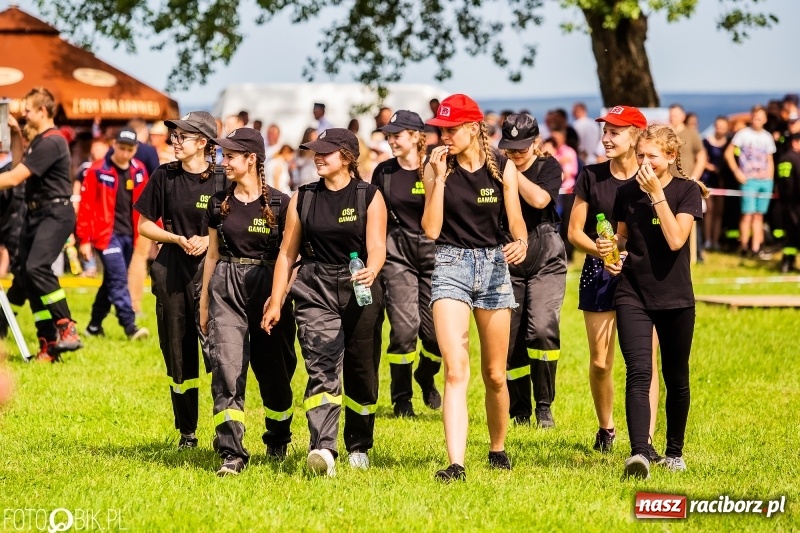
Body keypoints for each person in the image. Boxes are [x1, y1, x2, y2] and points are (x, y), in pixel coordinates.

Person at [262, 128, 387, 477]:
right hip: (314, 287)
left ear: (346, 157)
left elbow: (377, 246)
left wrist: (372, 270)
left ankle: (359, 445)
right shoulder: (303, 197)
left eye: (325, 152)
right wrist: (276, 301)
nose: (317, 157)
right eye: (315, 152)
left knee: (362, 369)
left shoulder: (369, 196)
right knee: (321, 365)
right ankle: (323, 447)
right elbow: (287, 254)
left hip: (360, 286)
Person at [421, 94, 528, 482]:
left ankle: (497, 447)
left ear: (472, 128)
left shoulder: (502, 167)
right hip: (450, 263)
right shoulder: (435, 165)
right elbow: (431, 229)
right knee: (455, 368)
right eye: (441, 129)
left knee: (496, 374)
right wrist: (437, 182)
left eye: (450, 129)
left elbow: (516, 223)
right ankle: (456, 464)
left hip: (494, 265)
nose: (444, 136)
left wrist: (522, 242)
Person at [600, 123, 708, 479]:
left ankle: (674, 451)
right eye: (641, 155)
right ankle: (640, 452)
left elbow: (676, 239)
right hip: (633, 292)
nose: (644, 162)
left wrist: (656, 196)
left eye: (652, 156)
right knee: (638, 372)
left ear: (671, 156)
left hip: (676, 296)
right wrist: (610, 251)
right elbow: (622, 236)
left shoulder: (688, 192)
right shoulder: (627, 192)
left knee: (676, 376)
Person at [198, 127, 297, 476]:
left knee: (275, 373)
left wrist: (280, 298)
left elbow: (293, 258)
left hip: (270, 288)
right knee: (226, 369)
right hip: (225, 286)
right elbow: (211, 255)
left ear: (251, 159)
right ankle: (232, 452)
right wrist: (204, 302)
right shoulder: (217, 203)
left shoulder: (283, 204)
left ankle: (278, 436)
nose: (223, 162)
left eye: (230, 156)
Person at [567, 105, 661, 460]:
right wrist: (603, 253)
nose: (605, 138)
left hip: (643, 275)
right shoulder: (591, 176)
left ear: (637, 135)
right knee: (602, 362)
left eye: (614, 132)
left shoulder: (653, 176)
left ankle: (646, 440)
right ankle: (606, 427)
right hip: (600, 272)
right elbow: (574, 231)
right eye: (604, 131)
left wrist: (627, 257)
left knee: (644, 362)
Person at [134, 111, 228, 449]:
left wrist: (208, 240)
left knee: (219, 354)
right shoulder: (164, 176)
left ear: (203, 143)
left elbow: (235, 224)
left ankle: (226, 432)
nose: (175, 141)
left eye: (182, 137)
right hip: (172, 273)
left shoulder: (223, 178)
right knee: (178, 353)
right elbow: (145, 225)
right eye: (174, 136)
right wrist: (175, 238)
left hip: (213, 273)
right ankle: (187, 432)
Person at [0, 87, 82, 361]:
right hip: (35, 214)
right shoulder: (37, 140)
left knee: (36, 268)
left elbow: (13, 179)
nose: (23, 114)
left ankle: (67, 327)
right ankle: (48, 343)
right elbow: (17, 165)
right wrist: (14, 133)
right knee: (25, 275)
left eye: (27, 110)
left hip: (55, 213)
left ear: (42, 111)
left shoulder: (52, 141)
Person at [372, 110, 442, 418]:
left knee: (437, 336)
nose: (391, 141)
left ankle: (426, 376)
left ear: (415, 136)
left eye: (396, 135)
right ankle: (402, 399)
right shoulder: (383, 172)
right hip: (396, 255)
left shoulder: (435, 167)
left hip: (435, 254)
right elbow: (374, 216)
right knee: (403, 330)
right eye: (388, 135)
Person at [498, 114, 567, 429]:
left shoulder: (548, 167)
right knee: (509, 340)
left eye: (521, 148)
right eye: (509, 149)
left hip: (545, 256)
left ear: (536, 142)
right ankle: (520, 410)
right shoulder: (493, 171)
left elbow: (540, 200)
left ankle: (543, 406)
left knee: (541, 329)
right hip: (508, 257)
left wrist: (510, 172)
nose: (515, 154)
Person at [76, 128, 150, 340]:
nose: (125, 153)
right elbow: (86, 206)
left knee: (110, 281)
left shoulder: (139, 170)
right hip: (105, 236)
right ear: (113, 145)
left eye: (129, 149)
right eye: (121, 148)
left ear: (135, 149)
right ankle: (130, 326)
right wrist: (84, 239)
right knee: (118, 279)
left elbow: (147, 203)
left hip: (130, 234)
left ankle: (93, 327)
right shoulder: (98, 170)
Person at [725, 105, 777, 260]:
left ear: (765, 119)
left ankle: (756, 248)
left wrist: (770, 179)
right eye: (755, 117)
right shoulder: (743, 134)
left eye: (760, 118)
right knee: (747, 214)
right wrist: (736, 172)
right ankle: (744, 247)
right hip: (749, 180)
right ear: (751, 117)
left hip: (764, 181)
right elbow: (729, 153)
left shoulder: (767, 137)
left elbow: (770, 159)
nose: (757, 120)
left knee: (759, 216)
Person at [701, 116, 731, 251]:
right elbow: (702, 158)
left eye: (724, 127)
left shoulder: (730, 143)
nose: (721, 130)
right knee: (709, 211)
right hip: (708, 179)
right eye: (718, 126)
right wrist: (711, 167)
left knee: (719, 212)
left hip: (722, 180)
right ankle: (707, 239)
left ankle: (716, 240)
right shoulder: (705, 142)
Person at [776, 132, 800, 273]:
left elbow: (782, 182)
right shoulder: (796, 159)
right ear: (795, 142)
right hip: (796, 203)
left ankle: (787, 262)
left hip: (786, 204)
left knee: (791, 236)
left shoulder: (783, 158)